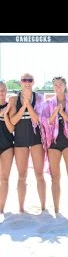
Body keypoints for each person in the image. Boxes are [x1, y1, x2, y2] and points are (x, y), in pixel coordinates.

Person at [41, 76, 68, 214]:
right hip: (53, 142)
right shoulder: (48, 103)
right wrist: (54, 114)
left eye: (60, 84)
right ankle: (57, 208)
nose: (58, 87)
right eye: (55, 85)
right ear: (53, 87)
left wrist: (63, 113)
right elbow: (44, 122)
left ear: (65, 86)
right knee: (55, 177)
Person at [8, 73, 46, 213]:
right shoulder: (13, 99)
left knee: (39, 174)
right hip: (20, 140)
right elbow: (12, 121)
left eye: (30, 80)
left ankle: (43, 206)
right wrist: (23, 107)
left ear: (33, 82)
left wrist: (28, 105)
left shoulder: (39, 97)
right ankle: (21, 208)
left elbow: (36, 119)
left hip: (35, 139)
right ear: (20, 82)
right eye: (24, 80)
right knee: (22, 175)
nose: (27, 82)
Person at [0, 80, 14, 214]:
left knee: (4, 178)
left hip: (7, 146)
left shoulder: (10, 107)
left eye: (3, 90)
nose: (1, 93)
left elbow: (11, 129)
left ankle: (1, 208)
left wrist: (5, 114)